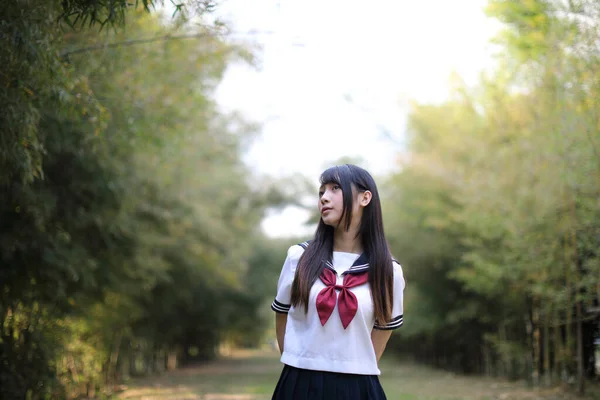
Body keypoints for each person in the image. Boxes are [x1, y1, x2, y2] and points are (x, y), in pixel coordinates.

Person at [270, 164, 405, 400]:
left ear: (365, 198)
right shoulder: (298, 258)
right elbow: (281, 315)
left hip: (358, 387)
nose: (324, 197)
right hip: (299, 382)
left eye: (335, 188)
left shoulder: (387, 271)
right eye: (321, 191)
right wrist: (300, 362)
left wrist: (353, 364)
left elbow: (383, 332)